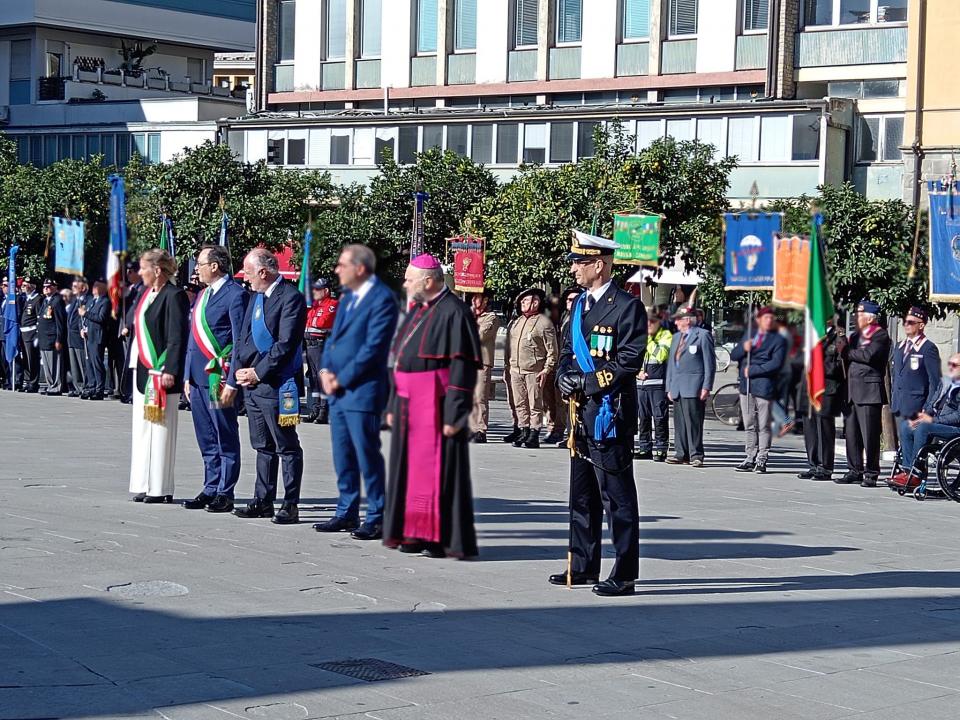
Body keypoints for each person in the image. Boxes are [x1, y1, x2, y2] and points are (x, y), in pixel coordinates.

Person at [552, 233, 646, 597]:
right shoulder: (578, 307)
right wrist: (564, 376)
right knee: (582, 494)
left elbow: (629, 360)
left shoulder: (626, 306)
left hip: (610, 413)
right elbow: (566, 352)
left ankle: (624, 572)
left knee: (617, 498)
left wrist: (588, 381)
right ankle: (582, 563)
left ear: (600, 264)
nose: (574, 268)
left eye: (579, 261)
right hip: (580, 413)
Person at [383, 254, 481, 559]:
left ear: (428, 281)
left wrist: (455, 413)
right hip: (409, 403)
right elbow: (400, 360)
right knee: (409, 472)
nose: (405, 284)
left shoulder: (455, 311)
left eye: (410, 279)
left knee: (439, 473)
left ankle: (440, 538)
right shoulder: (419, 310)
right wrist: (392, 402)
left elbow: (462, 367)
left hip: (437, 405)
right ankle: (414, 532)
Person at [313, 244, 398, 540]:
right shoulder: (348, 297)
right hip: (337, 390)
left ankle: (376, 515)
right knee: (343, 454)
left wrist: (342, 378)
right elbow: (333, 340)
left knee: (366, 453)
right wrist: (324, 371)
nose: (337, 270)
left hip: (362, 390)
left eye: (342, 265)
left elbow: (373, 348)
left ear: (360, 268)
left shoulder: (382, 299)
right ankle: (346, 510)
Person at [232, 248, 307, 525]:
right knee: (262, 445)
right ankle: (263, 499)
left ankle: (290, 503)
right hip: (252, 385)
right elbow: (244, 337)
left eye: (249, 273)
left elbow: (285, 345)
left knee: (285, 445)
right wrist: (239, 369)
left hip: (276, 383)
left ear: (264, 272)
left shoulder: (291, 298)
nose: (246, 279)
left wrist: (258, 372)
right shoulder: (256, 298)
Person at [181, 245, 249, 514]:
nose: (196, 268)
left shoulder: (236, 295)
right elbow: (192, 339)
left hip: (218, 378)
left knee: (224, 434)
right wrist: (187, 375)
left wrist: (232, 381)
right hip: (197, 378)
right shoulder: (202, 295)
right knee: (206, 435)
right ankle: (210, 487)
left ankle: (225, 490)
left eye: (200, 263)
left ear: (215, 266)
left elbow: (238, 341)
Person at [128, 249, 190, 503]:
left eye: (143, 268)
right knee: (143, 428)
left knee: (162, 430)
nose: (139, 272)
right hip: (144, 371)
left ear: (157, 270)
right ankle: (143, 482)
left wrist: (170, 370)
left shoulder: (174, 296)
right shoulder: (146, 295)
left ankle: (160, 487)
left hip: (162, 372)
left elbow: (176, 337)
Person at [838, 299, 891, 487]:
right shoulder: (855, 337)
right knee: (852, 434)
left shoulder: (880, 335)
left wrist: (846, 352)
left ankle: (871, 472)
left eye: (860, 314)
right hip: (852, 391)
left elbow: (868, 356)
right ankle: (855, 469)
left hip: (869, 391)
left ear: (870, 318)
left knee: (870, 435)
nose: (856, 317)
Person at [730, 307, 788, 474]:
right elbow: (734, 355)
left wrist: (754, 370)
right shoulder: (750, 335)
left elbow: (776, 363)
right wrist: (744, 348)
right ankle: (749, 456)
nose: (768, 321)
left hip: (764, 385)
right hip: (746, 386)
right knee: (749, 423)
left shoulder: (778, 340)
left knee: (763, 425)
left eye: (771, 318)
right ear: (759, 320)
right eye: (765, 318)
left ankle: (762, 458)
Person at [891, 352, 960, 489]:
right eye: (949, 364)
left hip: (954, 428)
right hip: (936, 422)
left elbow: (957, 416)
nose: (950, 368)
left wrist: (933, 420)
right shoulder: (946, 383)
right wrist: (924, 414)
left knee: (924, 428)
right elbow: (932, 403)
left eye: (954, 365)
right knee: (907, 425)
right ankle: (907, 470)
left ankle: (916, 473)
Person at [504, 288, 559, 449]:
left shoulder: (544, 323)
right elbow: (509, 347)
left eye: (526, 300)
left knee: (534, 403)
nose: (523, 303)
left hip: (534, 370)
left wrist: (547, 369)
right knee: (519, 403)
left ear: (536, 303)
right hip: (515, 369)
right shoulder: (516, 322)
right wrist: (508, 367)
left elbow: (552, 350)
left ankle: (534, 432)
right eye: (522, 301)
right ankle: (524, 429)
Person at [890, 306, 941, 465]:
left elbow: (935, 382)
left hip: (917, 404)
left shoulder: (928, 348)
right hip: (899, 403)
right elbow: (896, 375)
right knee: (904, 442)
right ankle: (906, 473)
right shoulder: (899, 346)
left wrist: (928, 408)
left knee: (917, 446)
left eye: (911, 322)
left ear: (921, 325)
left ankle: (915, 474)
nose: (907, 325)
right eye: (905, 321)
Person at [665, 307, 716, 467]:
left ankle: (696, 454)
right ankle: (681, 453)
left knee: (694, 422)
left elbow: (710, 363)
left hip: (694, 386)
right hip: (678, 386)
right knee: (679, 423)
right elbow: (671, 365)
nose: (676, 322)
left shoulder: (702, 335)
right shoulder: (676, 337)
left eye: (679, 319)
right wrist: (669, 387)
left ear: (688, 320)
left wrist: (706, 386)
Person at [799, 319, 845, 481]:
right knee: (810, 428)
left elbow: (841, 365)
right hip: (809, 388)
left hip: (827, 388)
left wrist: (820, 367)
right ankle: (813, 464)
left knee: (824, 429)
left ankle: (825, 467)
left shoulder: (839, 336)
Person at [636, 310, 673, 461]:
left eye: (652, 322)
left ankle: (661, 448)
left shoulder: (665, 336)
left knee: (659, 417)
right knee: (643, 417)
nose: (649, 325)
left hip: (657, 384)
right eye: (647, 322)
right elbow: (634, 357)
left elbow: (661, 355)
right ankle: (644, 447)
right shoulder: (639, 336)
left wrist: (649, 340)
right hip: (641, 384)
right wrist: (637, 372)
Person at [303, 278, 339, 424]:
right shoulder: (315, 306)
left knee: (321, 378)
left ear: (326, 291)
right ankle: (315, 409)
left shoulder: (332, 304)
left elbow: (323, 322)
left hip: (321, 345)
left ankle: (323, 411)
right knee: (313, 379)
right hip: (309, 345)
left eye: (317, 289)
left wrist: (312, 321)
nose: (314, 292)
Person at [469, 290, 499, 444]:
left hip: (482, 362)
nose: (474, 300)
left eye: (478, 297)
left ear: (485, 300)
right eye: (472, 297)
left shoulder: (491, 318)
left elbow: (479, 336)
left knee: (480, 397)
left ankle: (481, 429)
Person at [80, 281, 110, 401]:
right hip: (89, 336)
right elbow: (86, 319)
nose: (93, 288)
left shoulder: (105, 302)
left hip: (97, 336)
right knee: (90, 363)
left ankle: (99, 389)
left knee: (97, 363)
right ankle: (91, 387)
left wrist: (85, 313)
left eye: (96, 286)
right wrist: (84, 329)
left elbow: (101, 318)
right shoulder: (92, 301)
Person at [119, 262, 144, 404]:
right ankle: (127, 391)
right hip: (126, 330)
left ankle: (133, 392)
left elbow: (136, 311)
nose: (128, 275)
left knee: (133, 362)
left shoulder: (141, 289)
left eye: (130, 271)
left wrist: (128, 325)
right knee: (127, 362)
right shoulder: (132, 289)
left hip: (133, 331)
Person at [37, 279, 67, 396]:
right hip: (44, 338)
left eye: (49, 286)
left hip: (53, 338)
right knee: (47, 364)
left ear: (55, 287)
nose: (46, 288)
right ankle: (50, 385)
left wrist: (59, 339)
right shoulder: (45, 301)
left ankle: (56, 387)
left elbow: (60, 322)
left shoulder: (57, 301)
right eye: (44, 287)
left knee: (55, 363)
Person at [66, 278, 89, 397]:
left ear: (84, 287)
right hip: (71, 337)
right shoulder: (75, 300)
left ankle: (85, 386)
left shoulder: (86, 300)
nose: (73, 287)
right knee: (74, 364)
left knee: (82, 363)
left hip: (79, 336)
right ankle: (77, 387)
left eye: (76, 286)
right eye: (73, 286)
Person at [19, 276, 42, 393]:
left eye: (26, 285)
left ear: (33, 286)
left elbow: (39, 318)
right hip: (24, 333)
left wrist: (37, 335)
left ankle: (33, 383)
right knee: (26, 360)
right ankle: (27, 381)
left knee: (32, 359)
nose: (24, 287)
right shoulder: (26, 299)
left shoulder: (37, 299)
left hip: (32, 333)